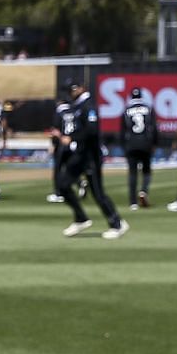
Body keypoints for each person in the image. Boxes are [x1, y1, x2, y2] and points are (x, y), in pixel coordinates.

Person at [53, 81, 127, 238]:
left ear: (81, 88)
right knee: (63, 185)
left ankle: (117, 223)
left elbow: (92, 130)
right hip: (80, 154)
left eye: (73, 90)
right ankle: (81, 218)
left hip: (91, 156)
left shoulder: (88, 105)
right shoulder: (79, 106)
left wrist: (72, 137)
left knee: (98, 193)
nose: (71, 93)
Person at [121, 86, 156, 208]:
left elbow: (122, 130)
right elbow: (154, 128)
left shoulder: (126, 110)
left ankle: (132, 202)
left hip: (131, 144)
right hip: (145, 143)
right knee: (146, 171)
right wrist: (155, 144)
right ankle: (143, 191)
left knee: (132, 173)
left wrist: (123, 146)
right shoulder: (149, 109)